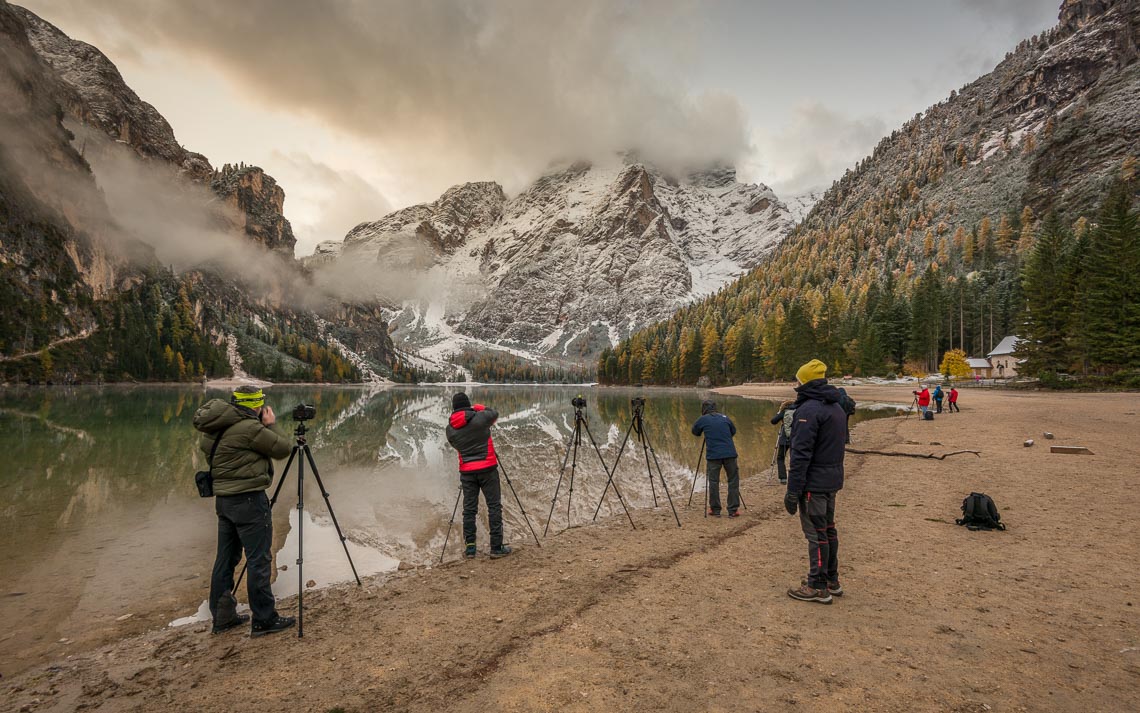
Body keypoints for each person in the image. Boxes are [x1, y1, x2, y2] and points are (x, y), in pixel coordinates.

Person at [193, 385, 296, 637]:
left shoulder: (215, 427)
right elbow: (283, 448)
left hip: (224, 501)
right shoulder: (250, 429)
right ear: (255, 405)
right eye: (260, 403)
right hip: (249, 501)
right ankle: (264, 619)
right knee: (259, 559)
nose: (263, 407)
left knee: (225, 560)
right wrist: (270, 425)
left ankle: (223, 617)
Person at [783, 359, 846, 604]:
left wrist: (792, 490)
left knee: (816, 533)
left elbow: (800, 455)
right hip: (831, 479)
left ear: (804, 381)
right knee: (828, 530)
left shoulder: (809, 411)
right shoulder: (836, 407)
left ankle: (818, 586)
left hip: (814, 483)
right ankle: (832, 579)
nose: (795, 383)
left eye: (797, 379)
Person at [445, 392, 511, 559]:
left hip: (467, 472)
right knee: (494, 507)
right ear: (468, 405)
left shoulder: (450, 430)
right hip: (488, 469)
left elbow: (456, 446)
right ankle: (496, 547)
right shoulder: (480, 418)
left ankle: (470, 548)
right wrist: (478, 408)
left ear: (454, 409)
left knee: (469, 510)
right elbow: (494, 413)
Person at [692, 400, 740, 517]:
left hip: (714, 455)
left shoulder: (702, 419)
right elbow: (733, 431)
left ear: (703, 410)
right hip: (730, 453)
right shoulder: (725, 417)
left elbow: (695, 432)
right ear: (715, 408)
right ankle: (733, 510)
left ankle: (715, 509)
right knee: (733, 480)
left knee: (714, 482)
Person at [769, 400, 796, 485]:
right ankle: (794, 477)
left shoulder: (784, 412)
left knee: (780, 458)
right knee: (794, 457)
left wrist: (779, 413)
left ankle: (783, 478)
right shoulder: (798, 411)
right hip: (796, 438)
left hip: (785, 439)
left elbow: (773, 421)